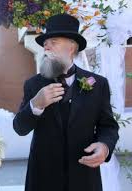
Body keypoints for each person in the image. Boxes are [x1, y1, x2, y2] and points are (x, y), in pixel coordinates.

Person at [13, 14, 119, 191]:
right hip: (43, 178)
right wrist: (36, 105)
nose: (46, 48)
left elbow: (108, 126)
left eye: (53, 42)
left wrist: (104, 146)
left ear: (71, 47)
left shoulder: (98, 83)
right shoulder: (33, 84)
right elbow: (19, 128)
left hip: (84, 177)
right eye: (45, 45)